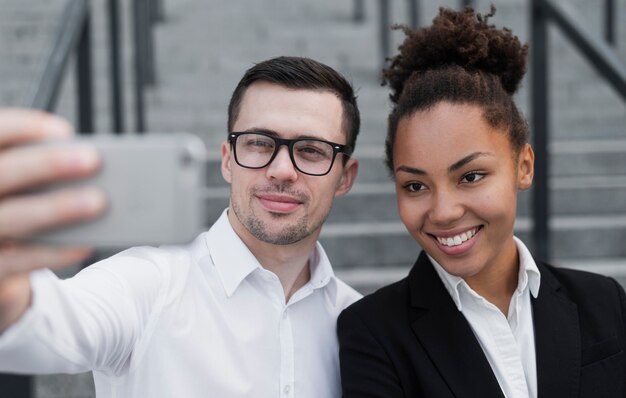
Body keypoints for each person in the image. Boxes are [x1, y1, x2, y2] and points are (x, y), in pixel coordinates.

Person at [0, 56, 362, 397]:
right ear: (227, 162)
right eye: (259, 143)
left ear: (345, 177)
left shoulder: (359, 322)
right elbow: (48, 323)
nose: (282, 170)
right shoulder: (147, 286)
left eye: (312, 150)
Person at [337, 7, 626, 398]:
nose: (443, 212)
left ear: (523, 166)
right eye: (415, 186)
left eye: (470, 177)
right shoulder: (373, 334)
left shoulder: (605, 301)